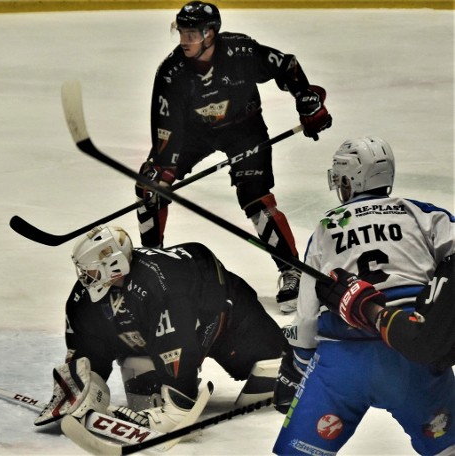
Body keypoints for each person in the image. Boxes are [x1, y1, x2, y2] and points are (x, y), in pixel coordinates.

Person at [135, 1, 333, 314]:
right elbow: (166, 127)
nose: (185, 40)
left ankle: (291, 271)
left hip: (244, 129)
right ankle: (153, 269)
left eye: (192, 33)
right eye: (182, 32)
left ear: (210, 34)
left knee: (255, 197)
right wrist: (164, 169)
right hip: (194, 135)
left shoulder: (240, 52)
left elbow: (286, 66)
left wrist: (306, 101)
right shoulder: (172, 73)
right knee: (150, 187)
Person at [272, 136, 455, 455]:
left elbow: (306, 315)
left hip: (342, 361)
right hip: (413, 349)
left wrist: (302, 365)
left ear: (349, 179)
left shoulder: (327, 225)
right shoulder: (421, 213)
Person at [33, 225, 288, 445]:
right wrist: (82, 386)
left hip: (226, 314)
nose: (84, 278)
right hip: (166, 321)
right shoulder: (88, 293)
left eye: (91, 271)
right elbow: (86, 339)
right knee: (144, 401)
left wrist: (180, 403)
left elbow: (177, 345)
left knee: (276, 370)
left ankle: (178, 398)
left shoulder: (161, 286)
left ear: (114, 265)